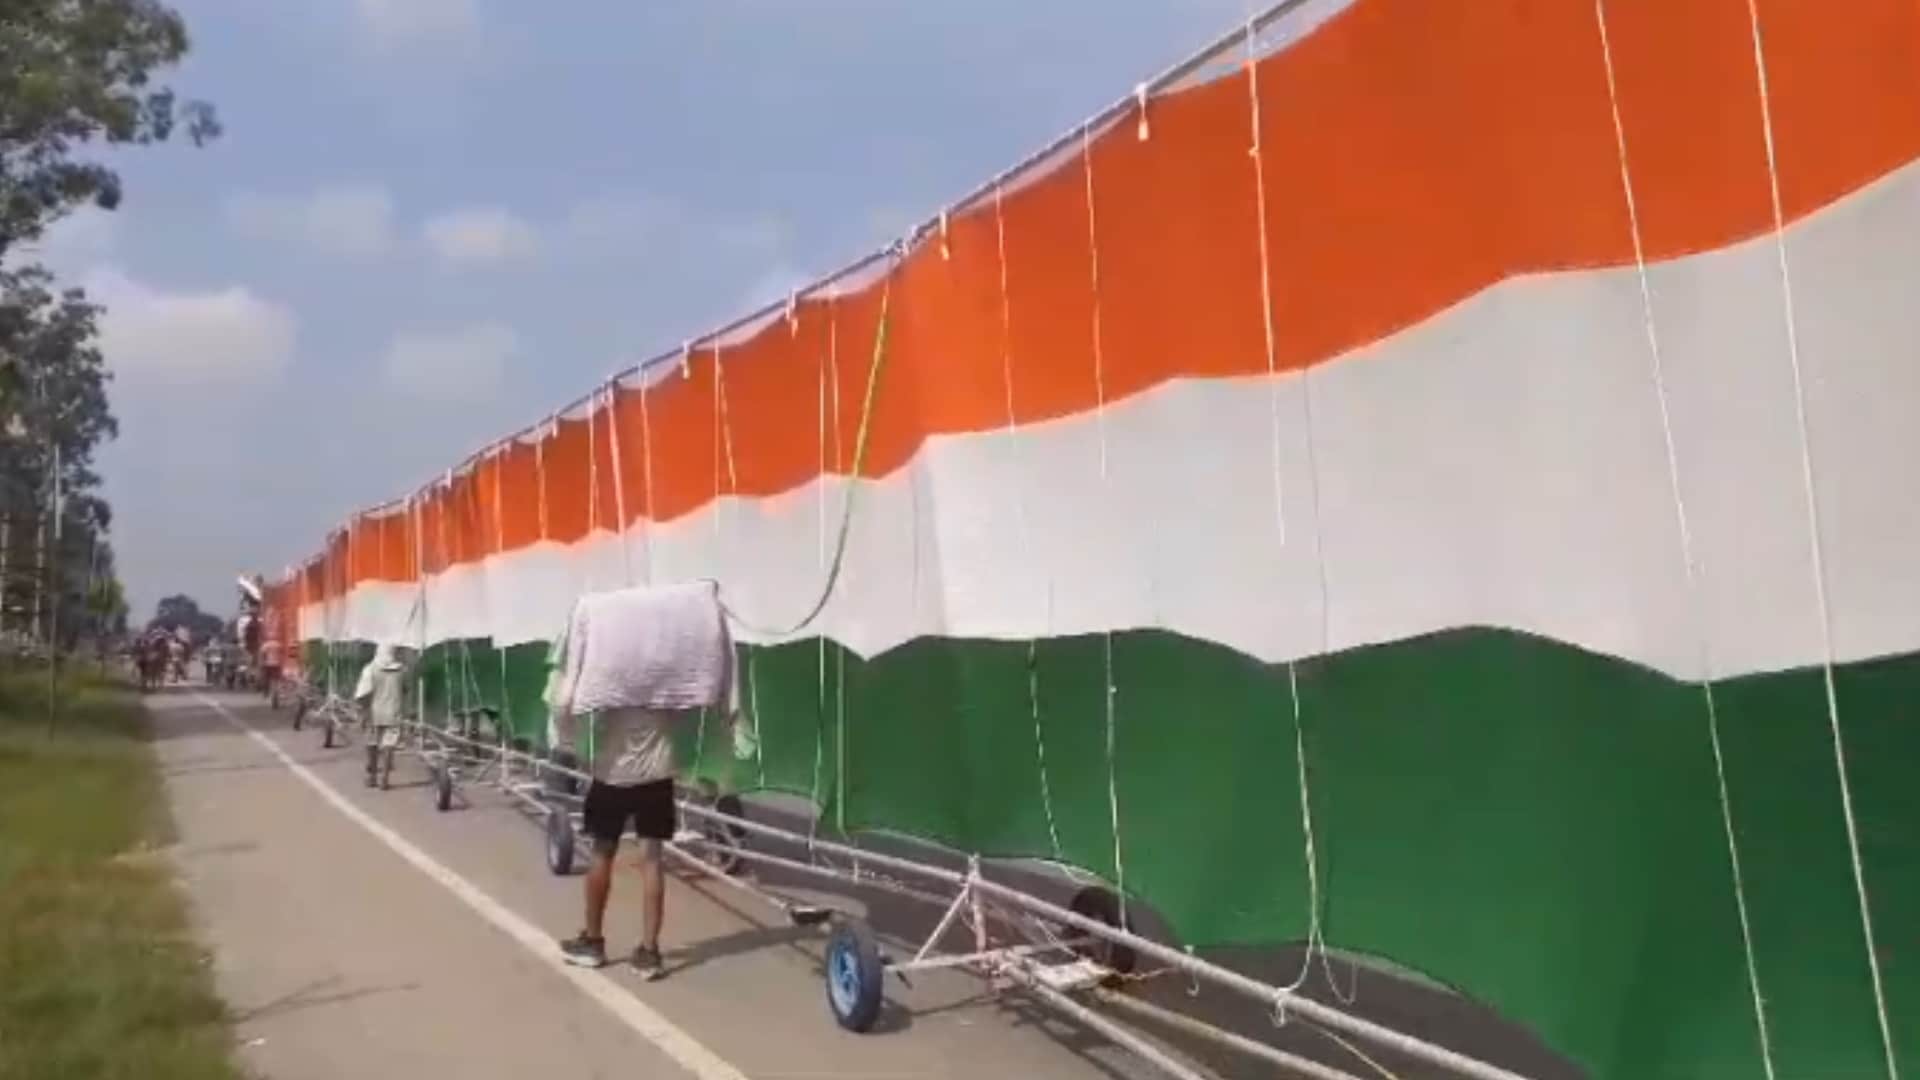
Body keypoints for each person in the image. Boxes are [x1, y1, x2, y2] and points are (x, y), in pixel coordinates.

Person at [556, 704, 686, 977]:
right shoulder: (668, 675)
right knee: (652, 859)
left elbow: (583, 706)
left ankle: (593, 942)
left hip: (614, 773)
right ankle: (649, 952)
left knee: (602, 852)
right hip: (656, 774)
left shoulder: (611, 672)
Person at [354, 643, 410, 788]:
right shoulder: (402, 670)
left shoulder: (370, 669)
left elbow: (362, 694)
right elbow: (406, 689)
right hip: (394, 712)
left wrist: (362, 712)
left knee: (372, 744)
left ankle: (372, 776)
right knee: (389, 745)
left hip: (374, 712)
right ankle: (384, 778)